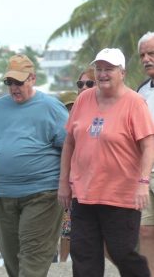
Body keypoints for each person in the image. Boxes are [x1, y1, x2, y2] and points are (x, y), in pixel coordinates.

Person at [0, 54, 68, 277]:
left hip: (42, 194)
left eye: (19, 82)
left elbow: (70, 146)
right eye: (10, 82)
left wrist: (68, 183)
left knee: (32, 259)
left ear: (32, 79)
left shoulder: (51, 107)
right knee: (12, 260)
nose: (14, 88)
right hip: (3, 194)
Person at [58, 48, 154, 277]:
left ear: (122, 72)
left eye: (108, 69)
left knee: (122, 253)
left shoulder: (135, 102)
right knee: (83, 256)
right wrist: (63, 182)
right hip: (84, 193)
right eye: (99, 69)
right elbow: (69, 143)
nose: (102, 74)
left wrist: (143, 182)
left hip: (121, 195)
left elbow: (149, 145)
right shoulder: (83, 100)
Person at [137, 31, 154, 276]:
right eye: (142, 55)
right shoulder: (141, 91)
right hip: (145, 172)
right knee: (145, 230)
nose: (146, 59)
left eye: (151, 53)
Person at [57, 90, 77, 263]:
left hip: (76, 184)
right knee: (65, 228)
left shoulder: (78, 125)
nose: (70, 111)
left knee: (67, 227)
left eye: (72, 107)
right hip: (60, 184)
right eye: (67, 108)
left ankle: (63, 261)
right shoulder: (59, 127)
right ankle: (61, 262)